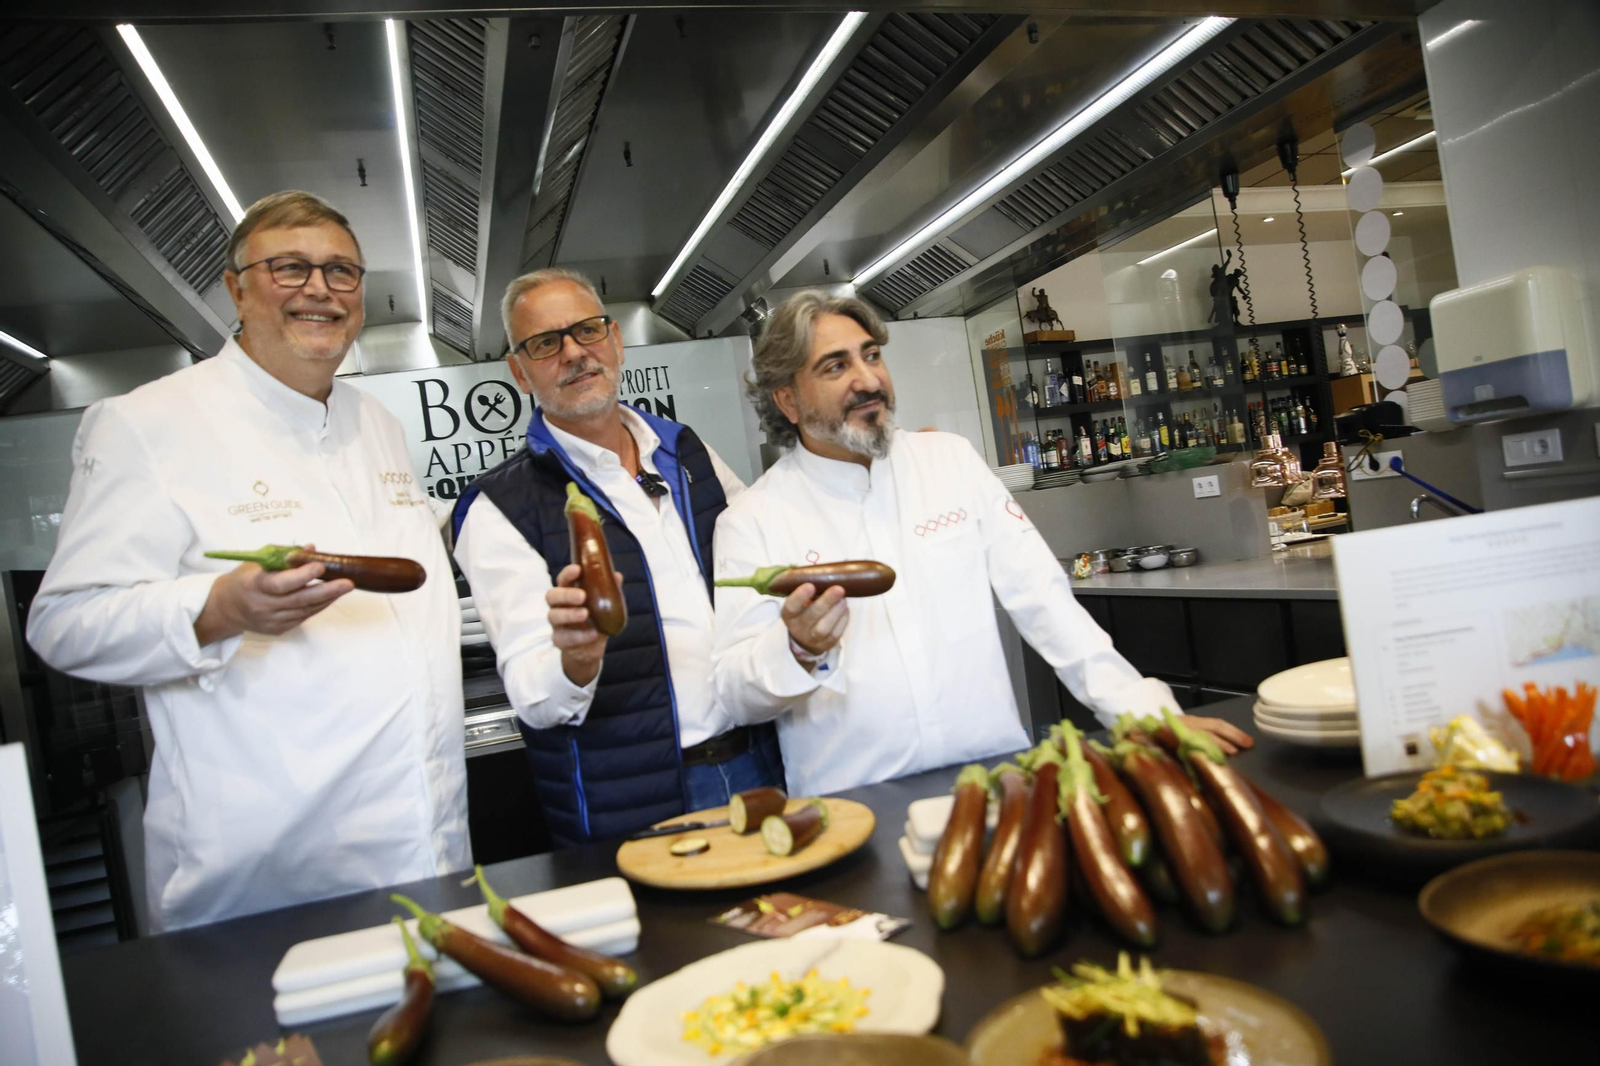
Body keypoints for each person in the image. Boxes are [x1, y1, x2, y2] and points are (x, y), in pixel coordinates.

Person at [26, 191, 468, 932]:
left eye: (342, 272)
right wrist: (217, 608)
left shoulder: (377, 422)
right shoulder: (147, 424)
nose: (320, 289)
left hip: (427, 847)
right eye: (290, 268)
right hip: (268, 881)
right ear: (235, 288)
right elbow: (64, 622)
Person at [710, 291, 1252, 796]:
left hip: (994, 781)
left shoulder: (949, 462)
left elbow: (1044, 599)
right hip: (856, 804)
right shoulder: (752, 521)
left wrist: (1145, 715)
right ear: (788, 400)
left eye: (871, 356)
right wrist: (796, 649)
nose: (867, 379)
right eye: (836, 366)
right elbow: (735, 692)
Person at [452, 268, 781, 846]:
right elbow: (534, 694)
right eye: (546, 343)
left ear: (616, 339)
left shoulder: (685, 450)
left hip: (764, 763)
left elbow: (768, 553)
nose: (575, 353)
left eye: (588, 330)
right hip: (635, 802)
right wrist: (575, 660)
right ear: (519, 370)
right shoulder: (498, 506)